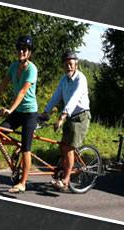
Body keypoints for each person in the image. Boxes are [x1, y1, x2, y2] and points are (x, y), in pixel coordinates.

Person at [0, 35, 39, 193]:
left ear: (29, 52)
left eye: (25, 49)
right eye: (19, 49)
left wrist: (10, 109)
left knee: (26, 150)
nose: (21, 51)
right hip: (17, 112)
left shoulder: (32, 69)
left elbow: (22, 92)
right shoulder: (14, 66)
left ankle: (22, 183)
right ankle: (20, 145)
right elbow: (2, 85)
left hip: (29, 113)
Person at [41, 51, 91, 192]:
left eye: (71, 64)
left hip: (80, 117)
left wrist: (62, 117)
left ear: (76, 64)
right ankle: (67, 169)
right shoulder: (64, 79)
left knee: (68, 148)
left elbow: (74, 99)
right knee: (63, 146)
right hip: (69, 116)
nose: (68, 67)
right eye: (66, 64)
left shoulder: (81, 79)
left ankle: (66, 180)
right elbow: (56, 97)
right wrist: (45, 112)